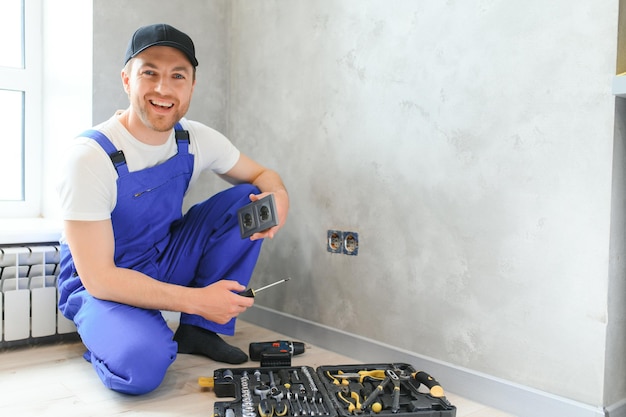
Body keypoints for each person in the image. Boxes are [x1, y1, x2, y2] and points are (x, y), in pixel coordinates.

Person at [56, 23, 289, 395]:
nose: (164, 89)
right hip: (100, 281)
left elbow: (263, 174)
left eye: (177, 76)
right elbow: (100, 277)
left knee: (246, 197)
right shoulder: (89, 158)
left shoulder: (194, 138)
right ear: (127, 80)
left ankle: (198, 329)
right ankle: (114, 336)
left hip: (162, 257)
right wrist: (198, 298)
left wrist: (278, 196)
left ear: (191, 86)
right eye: (150, 72)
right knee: (142, 369)